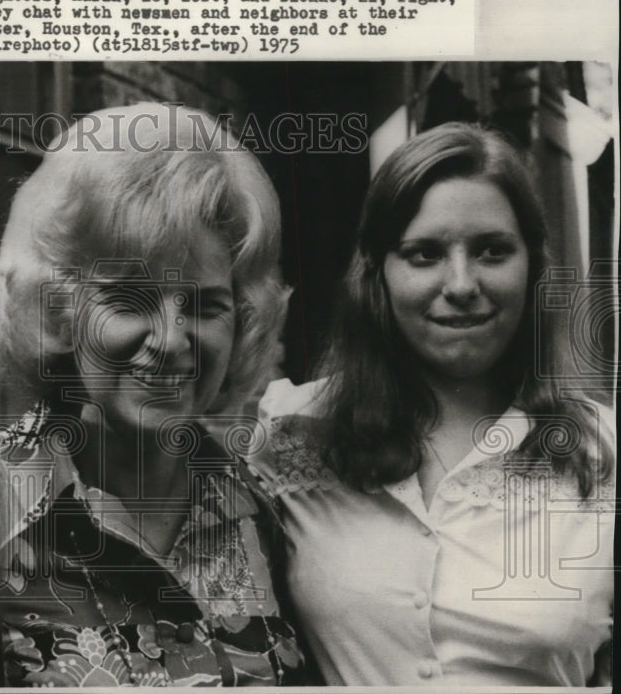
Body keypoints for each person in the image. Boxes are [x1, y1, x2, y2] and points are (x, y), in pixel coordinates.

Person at [250, 122, 615, 686]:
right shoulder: (291, 434)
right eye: (424, 254)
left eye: (493, 251)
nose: (462, 282)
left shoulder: (603, 455)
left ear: (534, 266)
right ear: (378, 275)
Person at [0, 102, 314, 686]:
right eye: (128, 296)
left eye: (204, 304)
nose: (170, 340)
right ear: (59, 309)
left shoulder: (268, 513)